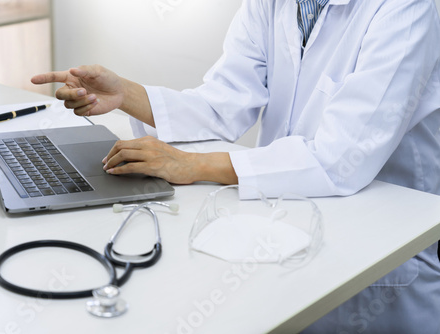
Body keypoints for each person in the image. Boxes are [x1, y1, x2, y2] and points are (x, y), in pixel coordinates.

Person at [32, 0, 440, 332]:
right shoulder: (273, 5)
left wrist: (191, 165)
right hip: (288, 222)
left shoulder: (407, 7)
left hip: (381, 245)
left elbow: (338, 159)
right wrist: (127, 94)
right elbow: (225, 102)